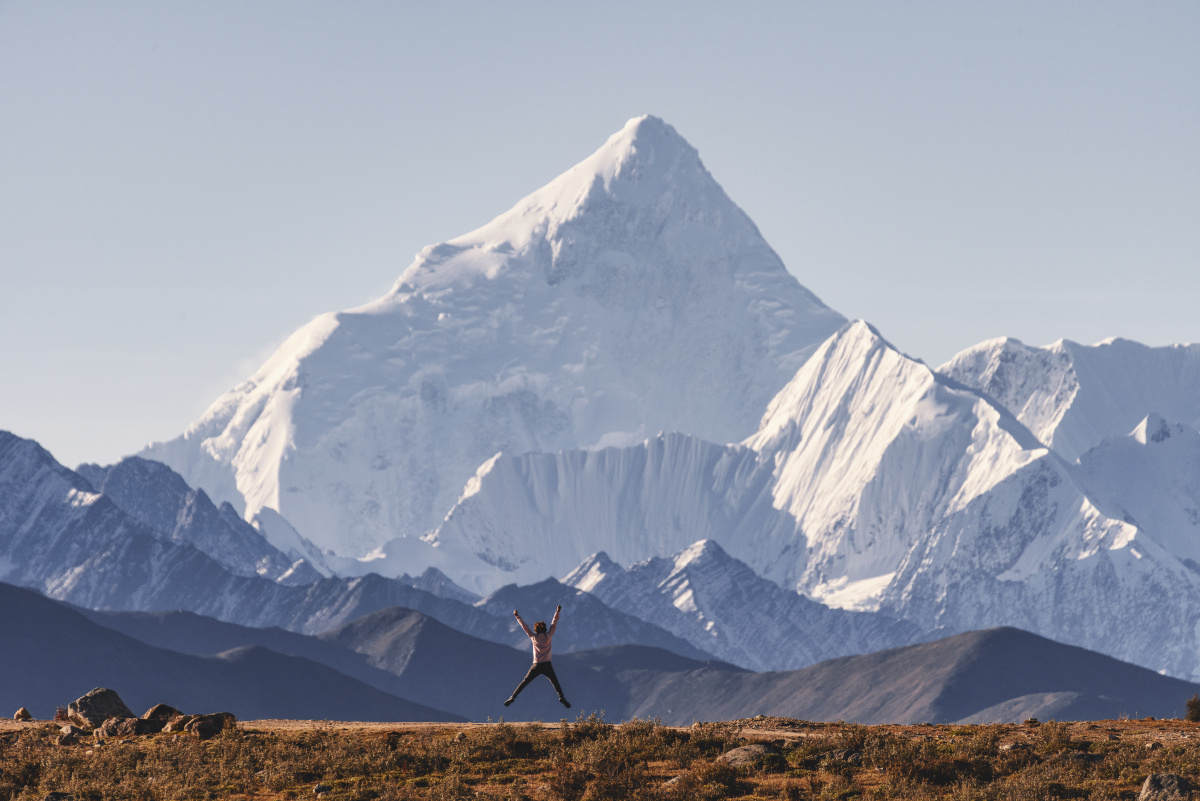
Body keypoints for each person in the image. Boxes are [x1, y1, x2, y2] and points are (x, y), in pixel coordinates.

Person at [505, 604, 571, 708]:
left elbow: (525, 627)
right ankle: (561, 697)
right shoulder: (548, 636)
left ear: (536, 630)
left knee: (525, 682)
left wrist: (517, 616)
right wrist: (557, 611)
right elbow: (554, 624)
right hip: (547, 665)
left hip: (536, 665)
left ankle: (513, 696)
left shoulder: (533, 637)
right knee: (555, 682)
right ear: (545, 629)